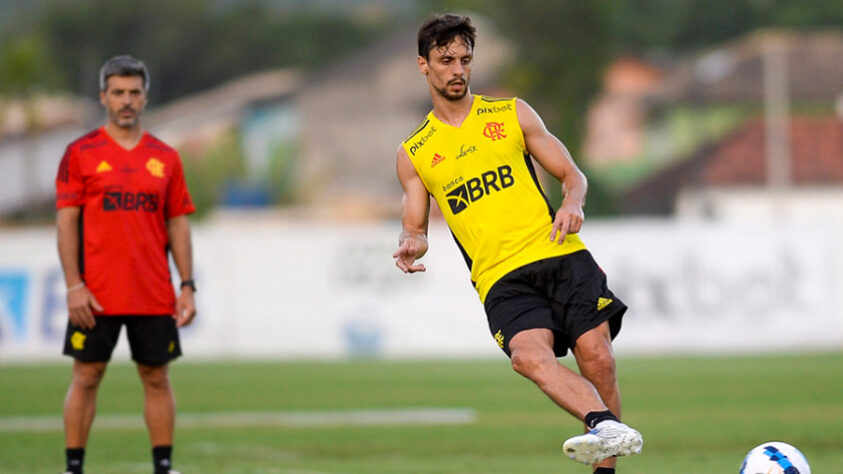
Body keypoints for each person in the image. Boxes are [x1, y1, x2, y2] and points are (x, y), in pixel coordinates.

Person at [393, 15, 643, 472]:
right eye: (445, 60)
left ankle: (605, 456)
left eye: (465, 59)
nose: (457, 70)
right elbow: (416, 225)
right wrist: (412, 243)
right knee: (528, 358)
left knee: (598, 358)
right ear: (423, 65)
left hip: (558, 254)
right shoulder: (414, 152)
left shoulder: (510, 114)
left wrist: (573, 202)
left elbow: (572, 175)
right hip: (500, 277)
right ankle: (603, 422)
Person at [55, 55, 196, 474]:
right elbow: (66, 224)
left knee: (157, 378)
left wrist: (187, 284)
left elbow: (178, 224)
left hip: (152, 290)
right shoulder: (79, 153)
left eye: (134, 92)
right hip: (95, 293)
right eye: (118, 92)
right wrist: (73, 285)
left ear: (145, 97)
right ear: (103, 97)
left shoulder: (166, 157)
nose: (126, 100)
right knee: (86, 376)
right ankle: (74, 466)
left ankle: (163, 465)